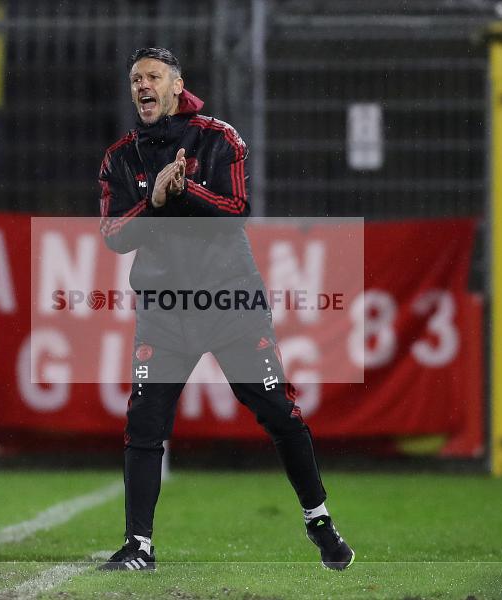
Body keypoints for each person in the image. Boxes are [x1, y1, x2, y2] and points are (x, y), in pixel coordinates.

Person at [97, 47, 354, 572]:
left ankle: (319, 519)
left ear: (176, 84)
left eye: (152, 77)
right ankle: (138, 545)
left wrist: (182, 189)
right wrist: (155, 202)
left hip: (229, 302)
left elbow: (237, 210)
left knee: (279, 413)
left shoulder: (219, 138)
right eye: (134, 79)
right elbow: (114, 237)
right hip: (165, 311)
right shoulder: (119, 157)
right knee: (145, 422)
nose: (141, 86)